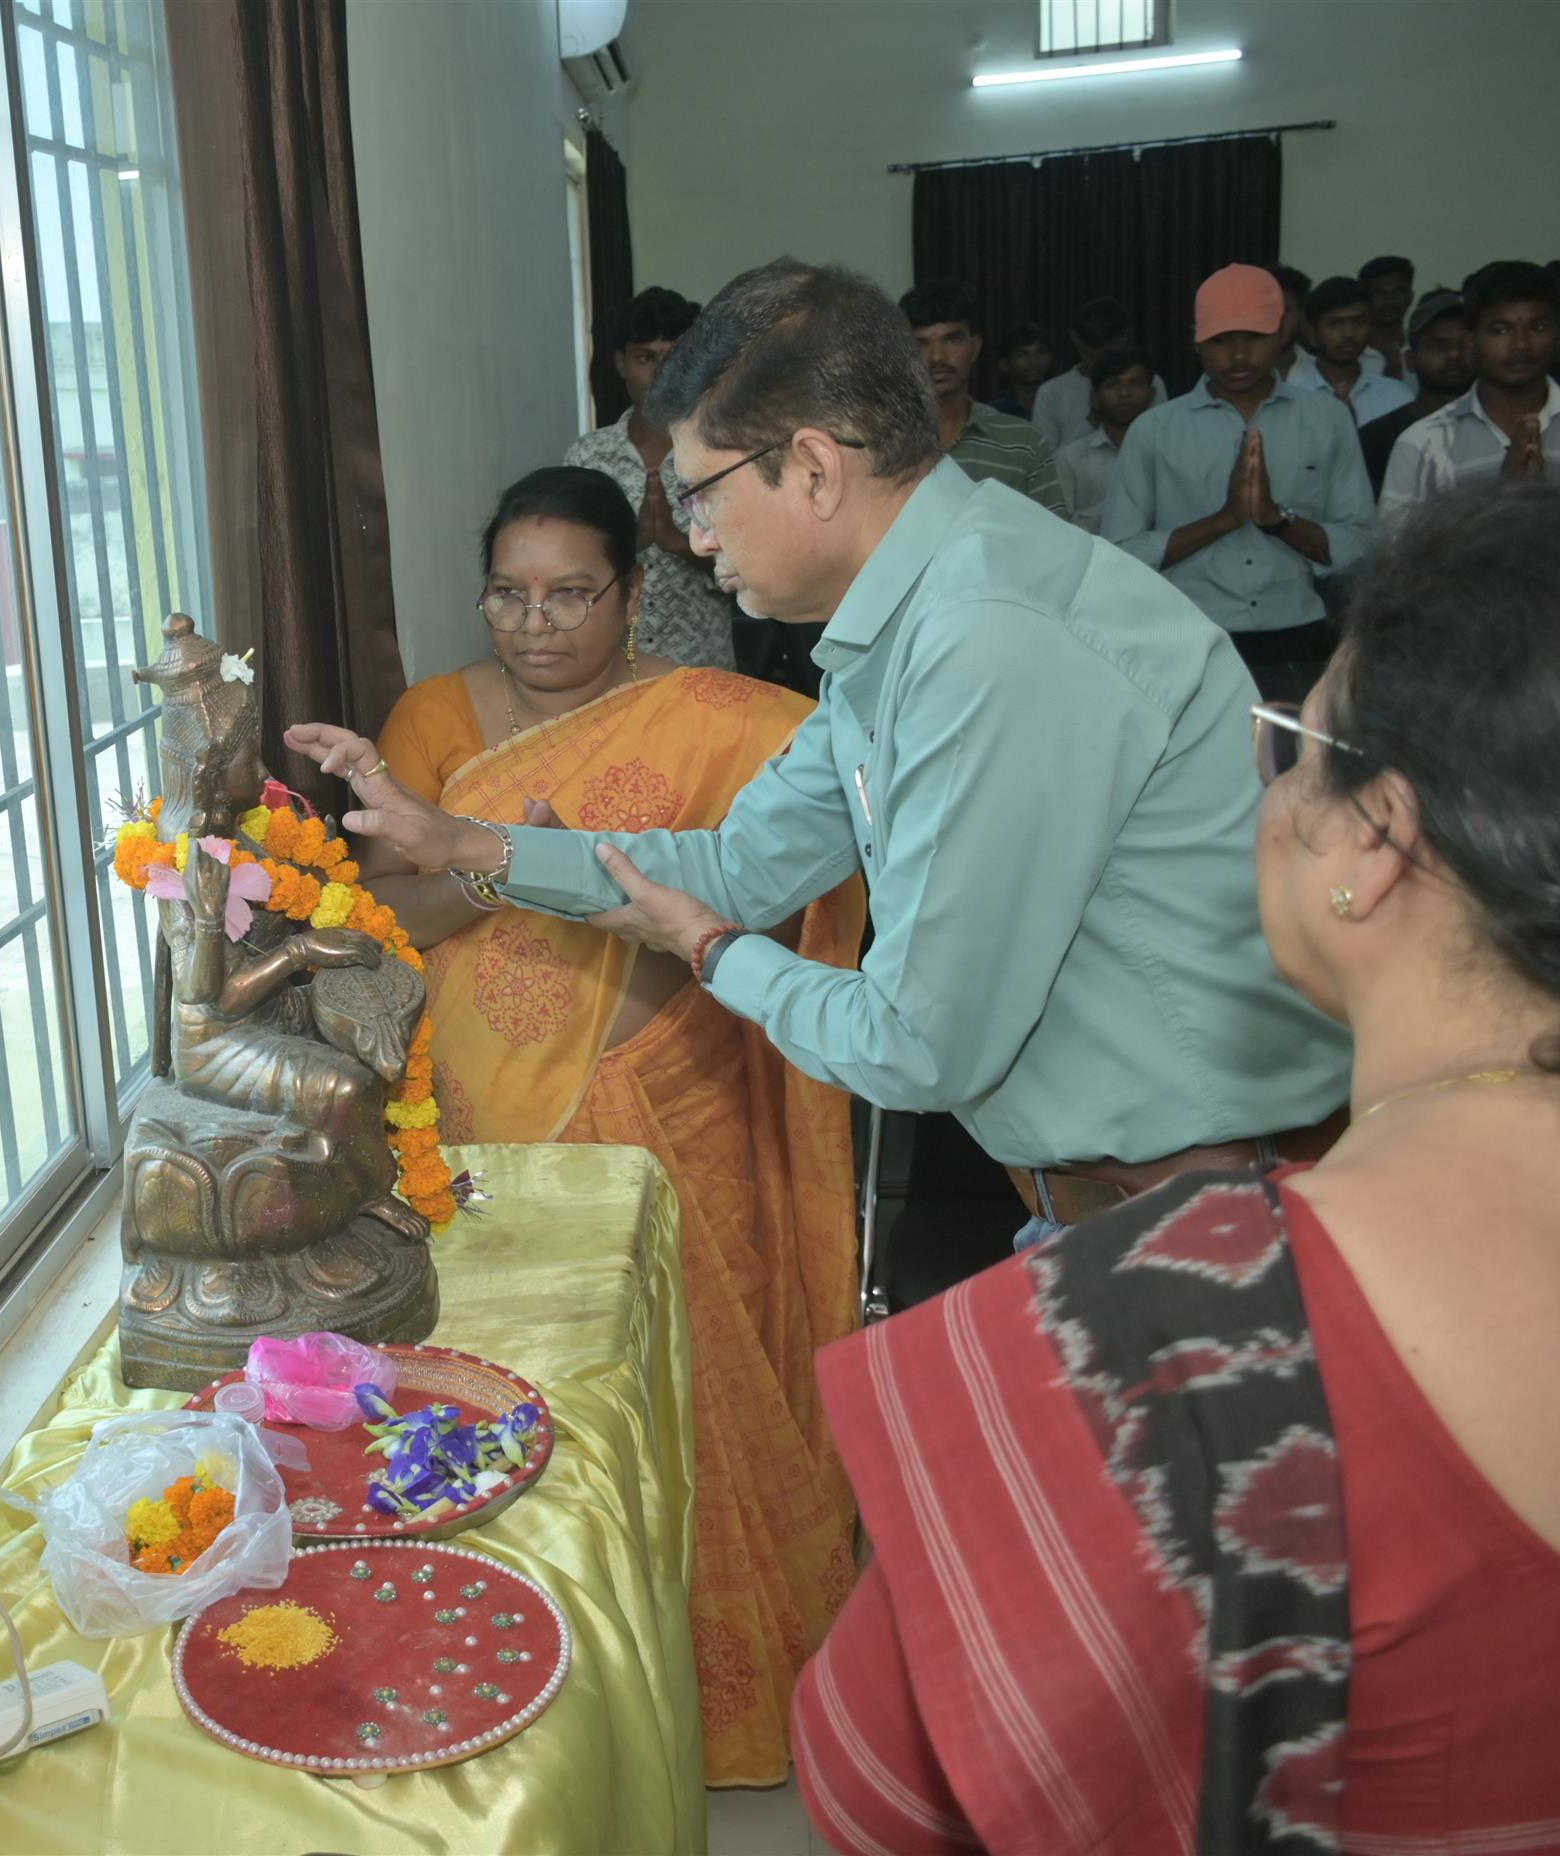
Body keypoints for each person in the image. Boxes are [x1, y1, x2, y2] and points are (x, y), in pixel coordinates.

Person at [791, 480, 1560, 1854]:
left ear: (1373, 843)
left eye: (1298, 747)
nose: (1272, 785)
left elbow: (879, 1790)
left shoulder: (1176, 1339)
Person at [289, 258, 1348, 1262]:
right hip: (1111, 1191)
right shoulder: (904, 620)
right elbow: (742, 866)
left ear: (811, 467)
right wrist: (463, 840)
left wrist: (707, 950)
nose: (693, 535)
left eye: (701, 493)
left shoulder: (988, 635)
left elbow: (913, 1045)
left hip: (1209, 1206)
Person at [356, 464, 868, 1786]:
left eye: (571, 593)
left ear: (633, 597)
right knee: (526, 1405)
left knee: (687, 1386)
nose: (536, 625)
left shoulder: (713, 717)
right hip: (482, 1118)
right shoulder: (432, 717)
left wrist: (502, 859)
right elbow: (389, 918)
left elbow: (831, 819)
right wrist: (514, 859)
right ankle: (540, 1714)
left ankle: (727, 1697)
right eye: (509, 595)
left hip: (669, 1092)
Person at [1103, 263, 1375, 704]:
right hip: (1189, 634)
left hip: (1297, 637)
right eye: (1221, 341)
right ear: (1196, 340)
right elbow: (1121, 554)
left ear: (1282, 330)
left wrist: (1276, 520)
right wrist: (1223, 520)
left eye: (1253, 338)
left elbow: (1360, 543)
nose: (1238, 355)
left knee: (1291, 767)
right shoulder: (1154, 431)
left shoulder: (1326, 420)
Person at [567, 286, 739, 671]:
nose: (660, 373)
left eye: (672, 358)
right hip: (612, 672)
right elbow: (569, 572)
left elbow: (754, 567)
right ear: (620, 362)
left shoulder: (724, 450)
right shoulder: (588, 458)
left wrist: (679, 545)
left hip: (702, 671)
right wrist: (630, 545)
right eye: (646, 358)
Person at [1380, 260, 1560, 529]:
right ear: (1471, 341)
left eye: (1538, 327)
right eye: (1500, 330)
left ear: (1557, 334)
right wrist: (1504, 493)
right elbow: (1396, 558)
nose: (1520, 345)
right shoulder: (1423, 444)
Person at [899, 279, 1069, 516]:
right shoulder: (878, 442)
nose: (937, 356)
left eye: (953, 339)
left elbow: (1057, 542)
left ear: (975, 347)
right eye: (921, 343)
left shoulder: (1024, 443)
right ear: (902, 352)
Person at [1358, 289, 1471, 494]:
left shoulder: (1497, 427)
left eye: (1464, 344)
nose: (1454, 355)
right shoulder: (1376, 439)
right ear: (1410, 360)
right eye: (1438, 346)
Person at [1030, 296, 1166, 451]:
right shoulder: (1051, 392)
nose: (1100, 365)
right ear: (1075, 339)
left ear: (1125, 337)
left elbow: (1162, 447)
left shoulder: (1149, 383)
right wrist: (1093, 419)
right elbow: (1043, 463)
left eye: (1109, 356)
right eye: (1091, 356)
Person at [1050, 343, 1155, 534]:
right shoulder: (1069, 459)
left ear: (1151, 393)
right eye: (1112, 385)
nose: (1124, 393)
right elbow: (1058, 531)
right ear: (1094, 398)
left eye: (1135, 383)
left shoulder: (1168, 454)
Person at [1292, 274, 1416, 425]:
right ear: (1312, 333)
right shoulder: (1291, 394)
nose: (1349, 333)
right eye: (1336, 324)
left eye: (1358, 321)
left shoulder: (1397, 397)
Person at [1357, 252, 1416, 379]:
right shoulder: (1351, 352)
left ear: (1411, 296)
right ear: (1365, 299)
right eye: (1379, 293)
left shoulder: (1420, 349)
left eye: (1398, 291)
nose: (1389, 300)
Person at [990, 320, 1055, 421]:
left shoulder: (1062, 405)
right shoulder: (994, 413)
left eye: (1041, 352)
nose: (1034, 361)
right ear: (1005, 364)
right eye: (1023, 354)